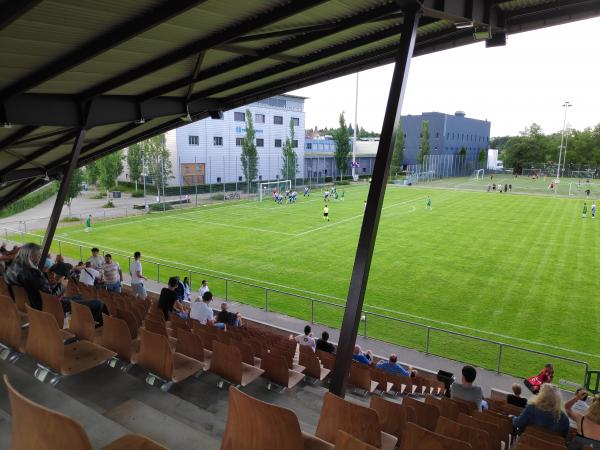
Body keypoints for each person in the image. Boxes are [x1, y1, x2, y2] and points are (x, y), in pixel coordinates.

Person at [4, 243, 106, 325]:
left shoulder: (12, 269)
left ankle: (84, 322)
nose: (40, 259)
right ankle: (92, 328)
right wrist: (62, 285)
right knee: (98, 304)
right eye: (38, 256)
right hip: (46, 307)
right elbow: (52, 296)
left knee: (78, 298)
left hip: (29, 305)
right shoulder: (32, 273)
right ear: (30, 256)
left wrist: (50, 284)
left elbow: (37, 288)